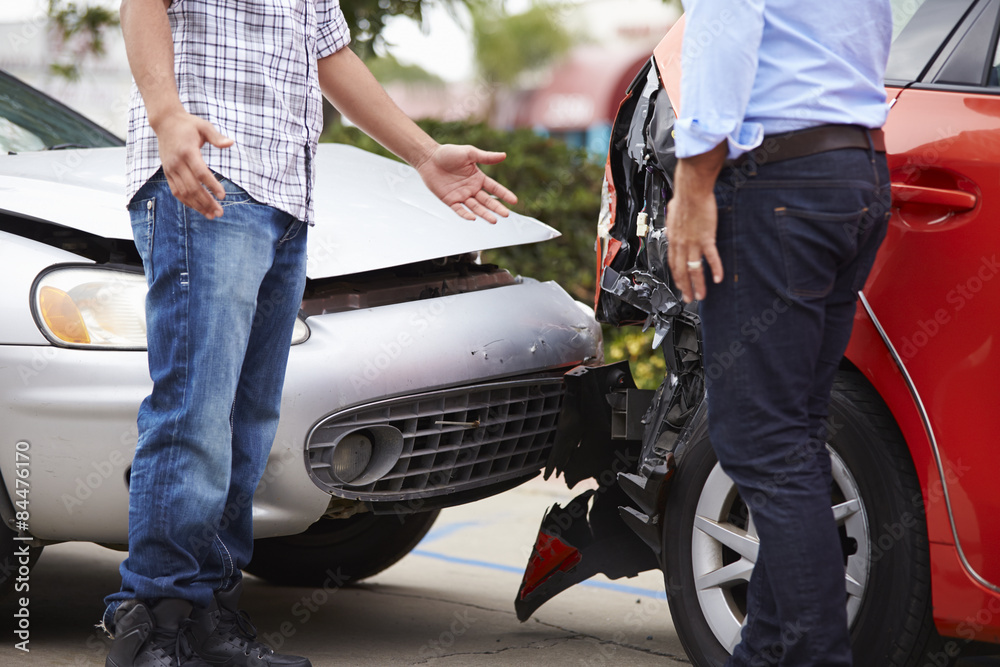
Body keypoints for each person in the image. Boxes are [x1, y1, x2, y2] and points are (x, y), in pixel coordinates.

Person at [103, 1, 517, 666]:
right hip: (208, 176)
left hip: (285, 197)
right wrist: (166, 114)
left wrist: (424, 154)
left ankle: (209, 616)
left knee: (247, 426)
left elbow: (330, 56)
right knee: (195, 415)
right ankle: (155, 623)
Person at [664, 1, 891, 665]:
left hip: (779, 182)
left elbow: (726, 27)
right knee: (793, 432)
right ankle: (765, 652)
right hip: (854, 171)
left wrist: (693, 179)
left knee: (763, 439)